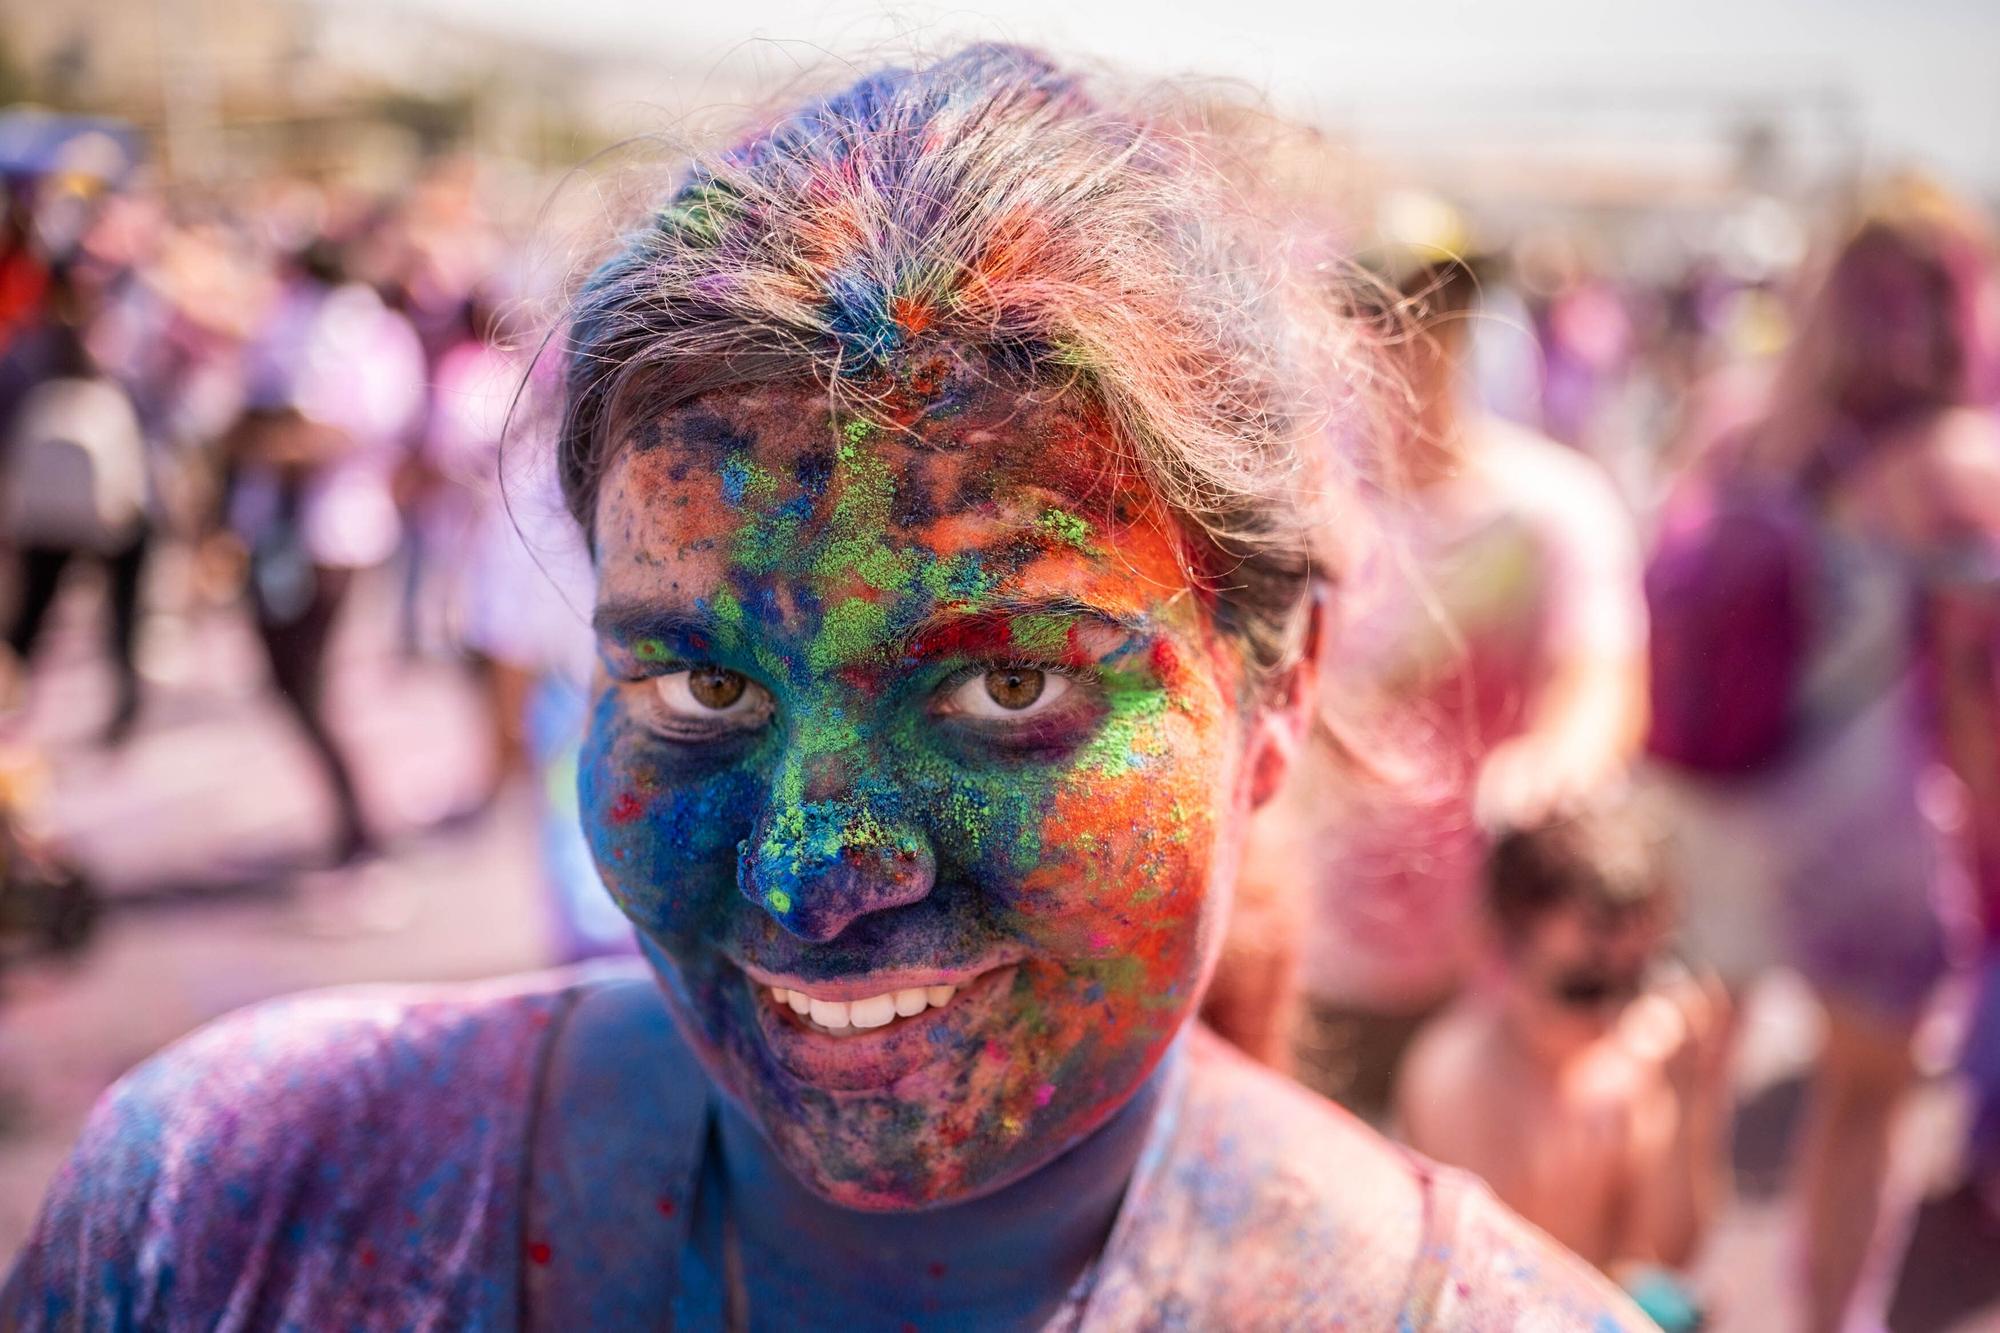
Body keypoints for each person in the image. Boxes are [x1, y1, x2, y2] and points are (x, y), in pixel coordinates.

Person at [3, 48, 1647, 1329]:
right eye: (702, 684)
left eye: (1007, 684)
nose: (808, 868)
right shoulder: (240, 1207)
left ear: (1275, 678)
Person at [1647, 181, 2000, 1333]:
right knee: (1858, 1109)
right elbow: (1974, 704)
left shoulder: (1737, 425)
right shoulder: (1958, 470)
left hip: (1712, 813)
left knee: (1693, 1076)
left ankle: (1660, 1296)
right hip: (1867, 840)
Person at [1239, 240, 1650, 1111]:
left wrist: (1559, 758)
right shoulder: (1294, 505)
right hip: (1321, 940)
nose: (1410, 338)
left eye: (1436, 310)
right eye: (1380, 312)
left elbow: (1603, 680)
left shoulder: (1550, 508)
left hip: (1485, 953)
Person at [1397, 804, 1728, 1329]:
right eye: (1586, 981)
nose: (1615, 1003)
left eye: (1638, 973)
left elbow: (1668, 1255)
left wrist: (1690, 1094)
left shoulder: (1638, 1063)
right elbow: (1485, 1279)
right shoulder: (1455, 1073)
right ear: (1511, 938)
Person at [218, 236, 425, 867]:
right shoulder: (287, 320)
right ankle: (354, 820)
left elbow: (350, 434)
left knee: (307, 684)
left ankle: (360, 826)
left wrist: (276, 441)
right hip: (275, 530)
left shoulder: (376, 334)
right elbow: (237, 428)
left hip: (335, 535)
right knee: (286, 681)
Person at [1, 267, 150, 738]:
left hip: (47, 509)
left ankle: (13, 706)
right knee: (118, 616)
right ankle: (123, 708)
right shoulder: (122, 352)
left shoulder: (26, 354)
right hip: (112, 505)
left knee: (31, 617)